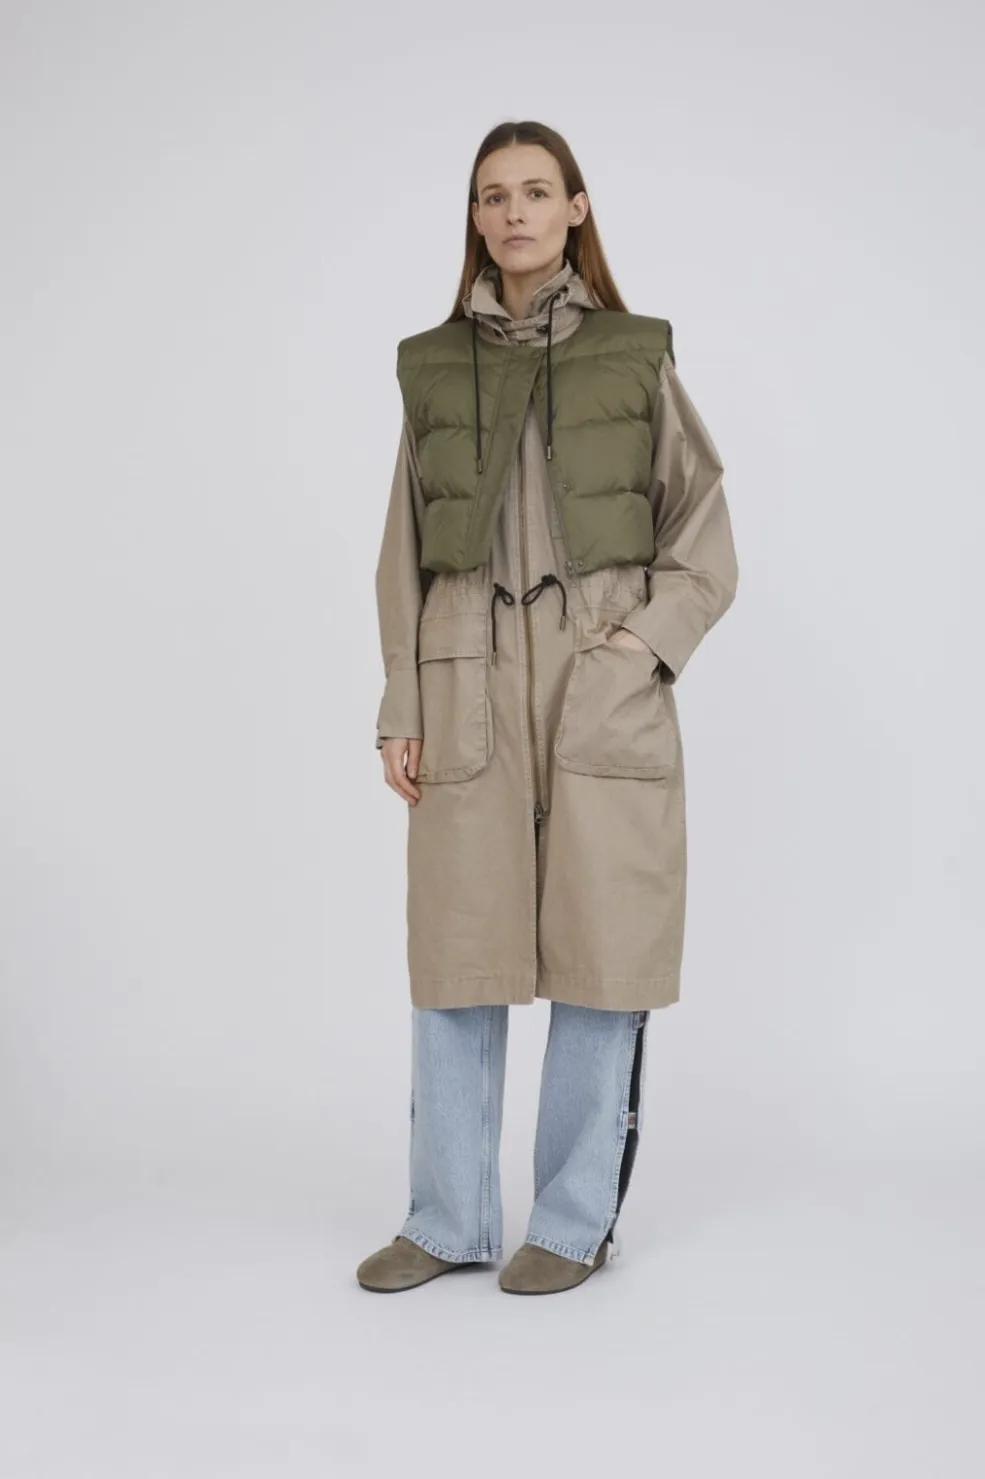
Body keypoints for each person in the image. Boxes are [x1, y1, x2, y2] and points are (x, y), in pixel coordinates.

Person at [358, 120, 738, 1296]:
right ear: (474, 219)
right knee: (455, 956)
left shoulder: (633, 353)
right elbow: (402, 549)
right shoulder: (432, 365)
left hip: (597, 685)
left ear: (575, 209)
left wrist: (637, 650)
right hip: (465, 682)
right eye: (492, 196)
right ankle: (446, 1219)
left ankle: (571, 1225)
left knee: (601, 954)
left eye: (535, 192)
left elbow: (704, 539)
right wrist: (402, 701)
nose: (513, 213)